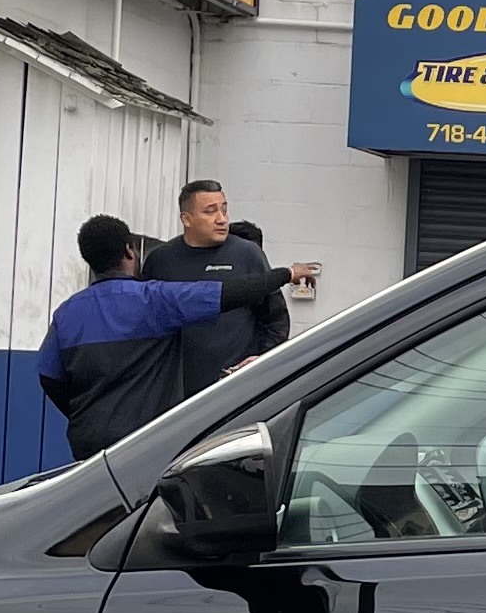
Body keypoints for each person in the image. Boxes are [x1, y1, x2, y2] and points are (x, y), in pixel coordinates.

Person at [38, 214, 316, 460]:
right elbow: (226, 293)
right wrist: (287, 274)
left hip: (88, 446)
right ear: (129, 251)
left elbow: (49, 377)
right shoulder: (156, 300)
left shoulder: (66, 314)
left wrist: (84, 416)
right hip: (146, 443)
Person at [142, 176, 313, 394]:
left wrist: (263, 358)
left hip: (235, 389)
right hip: (175, 392)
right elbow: (145, 325)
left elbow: (275, 318)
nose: (222, 219)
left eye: (224, 210)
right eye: (210, 211)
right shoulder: (160, 261)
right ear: (186, 219)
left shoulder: (248, 254)